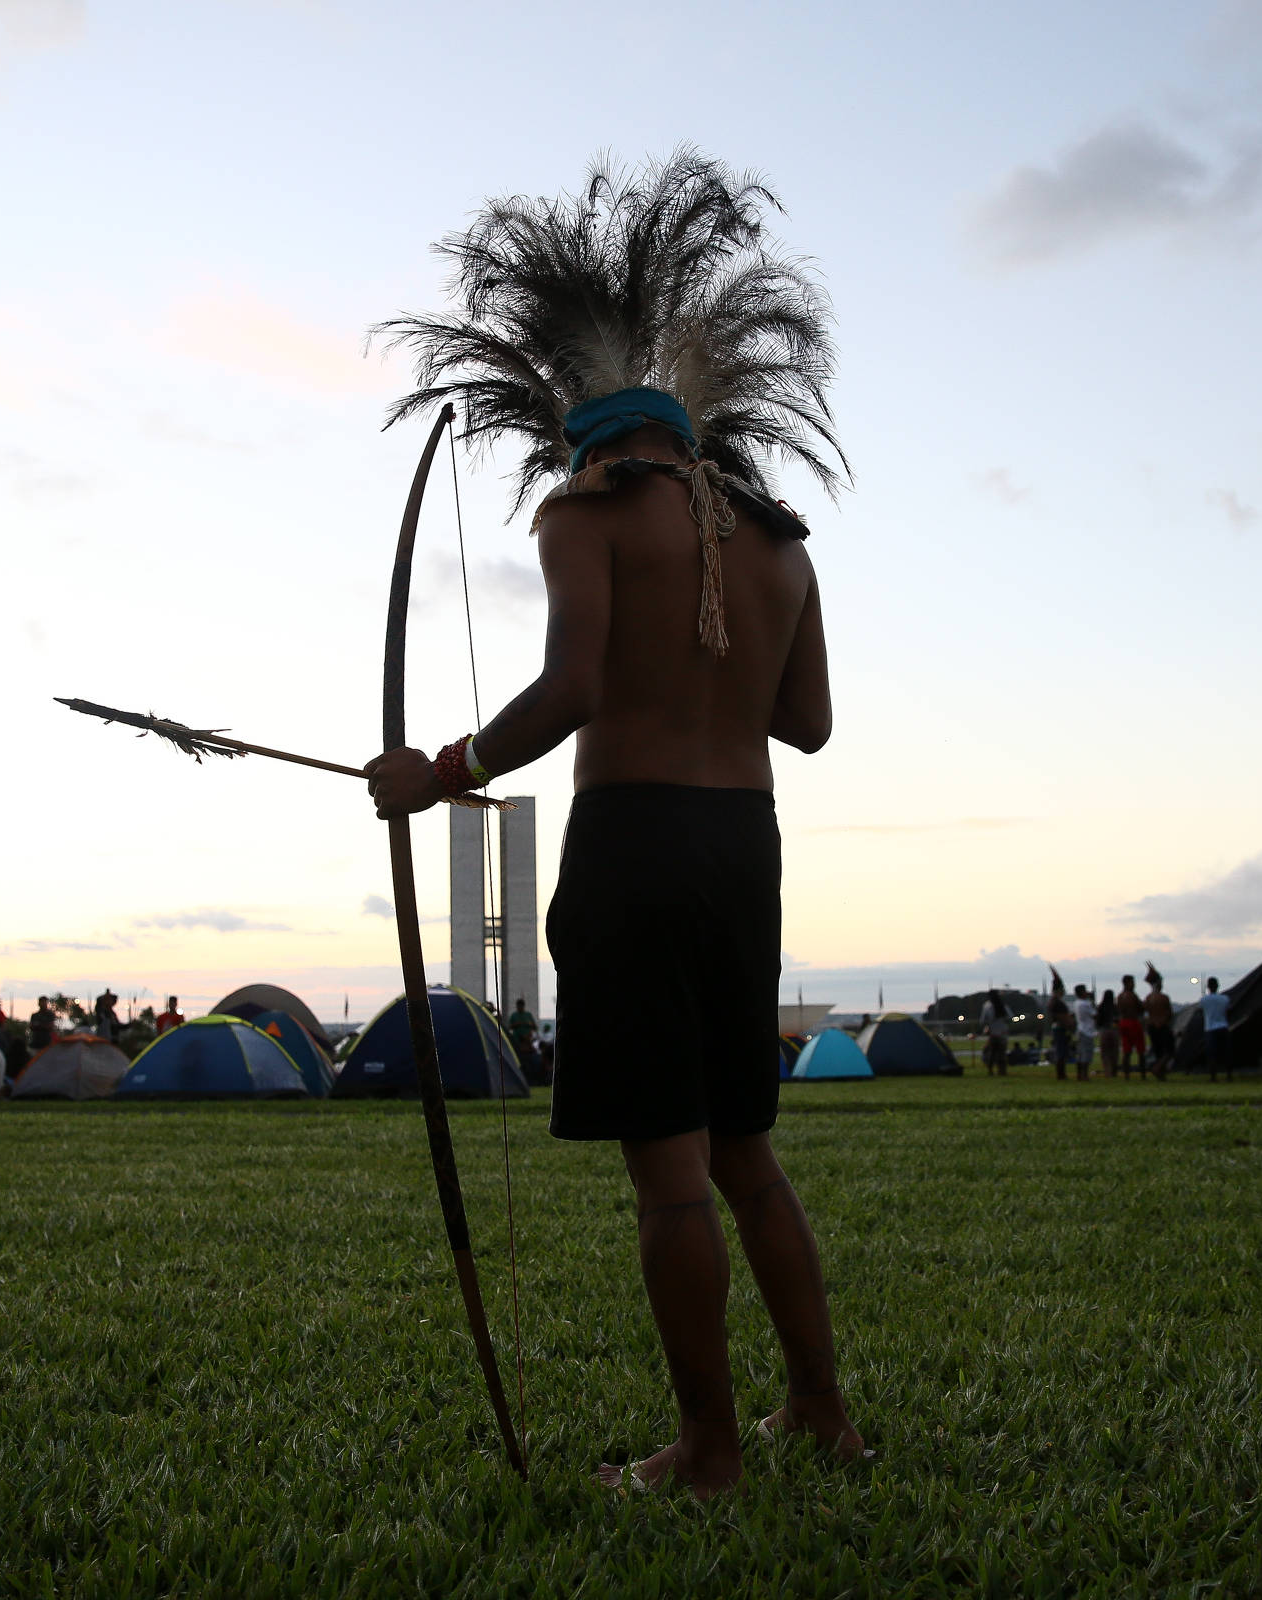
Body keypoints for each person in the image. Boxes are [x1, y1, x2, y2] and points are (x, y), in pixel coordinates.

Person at [364, 151, 858, 1499]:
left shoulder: (582, 514)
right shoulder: (780, 542)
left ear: (585, 432)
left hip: (635, 847)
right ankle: (819, 1411)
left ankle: (706, 1453)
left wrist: (441, 768)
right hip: (741, 853)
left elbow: (574, 687)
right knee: (746, 1152)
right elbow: (806, 726)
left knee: (672, 1177)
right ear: (693, 432)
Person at [1142, 966, 1174, 1080]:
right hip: (1162, 1026)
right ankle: (1158, 1068)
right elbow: (1169, 1013)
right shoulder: (1164, 997)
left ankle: (1161, 1073)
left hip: (1151, 1027)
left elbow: (1145, 1011)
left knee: (1158, 1051)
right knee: (1170, 1050)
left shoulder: (1148, 998)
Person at [1199, 977, 1231, 1081]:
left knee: (1212, 1054)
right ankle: (1228, 1075)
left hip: (1210, 1029)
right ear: (1217, 986)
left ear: (1208, 987)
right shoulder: (1225, 999)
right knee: (1226, 1053)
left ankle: (1213, 1077)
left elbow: (1201, 1012)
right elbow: (1228, 1011)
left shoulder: (1204, 1000)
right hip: (1223, 1027)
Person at [1114, 975, 1145, 1080]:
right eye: (1132, 982)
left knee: (1126, 1050)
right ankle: (1142, 1075)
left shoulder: (1119, 996)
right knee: (1140, 1050)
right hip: (1132, 1022)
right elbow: (1141, 1008)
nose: (1134, 984)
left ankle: (1126, 1075)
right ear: (1127, 983)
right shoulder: (1132, 996)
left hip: (1123, 1023)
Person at [1046, 972, 1073, 1081]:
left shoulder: (1053, 1001)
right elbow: (1062, 1017)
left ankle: (1061, 1073)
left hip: (1058, 1027)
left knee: (1061, 1052)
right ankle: (1061, 1074)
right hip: (1060, 1028)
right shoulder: (1057, 1002)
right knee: (1061, 1052)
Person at [1070, 986, 1098, 1081]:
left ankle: (1079, 1074)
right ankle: (1085, 1075)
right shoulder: (1086, 1004)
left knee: (1080, 1054)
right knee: (1087, 1054)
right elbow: (1094, 1015)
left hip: (1080, 1029)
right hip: (1087, 1031)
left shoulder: (1076, 1003)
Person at [979, 990, 1010, 1076]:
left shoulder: (987, 1006)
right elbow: (1010, 1017)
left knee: (991, 1053)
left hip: (993, 1033)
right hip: (1003, 1033)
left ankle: (990, 1070)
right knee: (1002, 1054)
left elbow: (982, 1021)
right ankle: (1002, 1071)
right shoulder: (1003, 1005)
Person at [504, 997, 539, 1073]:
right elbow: (509, 1027)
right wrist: (516, 1024)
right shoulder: (514, 1015)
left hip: (528, 1041)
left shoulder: (528, 1015)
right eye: (518, 1006)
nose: (519, 1008)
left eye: (521, 1006)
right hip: (518, 1041)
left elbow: (535, 1027)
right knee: (519, 1057)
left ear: (523, 1006)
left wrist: (528, 1024)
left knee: (529, 1058)